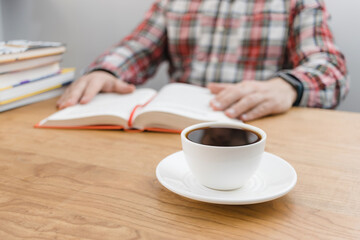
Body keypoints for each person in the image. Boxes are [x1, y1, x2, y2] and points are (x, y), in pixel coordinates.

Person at [57, 0, 349, 121]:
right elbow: (139, 47)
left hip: (258, 129)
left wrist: (287, 87)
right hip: (175, 131)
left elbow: (331, 70)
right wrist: (106, 71)